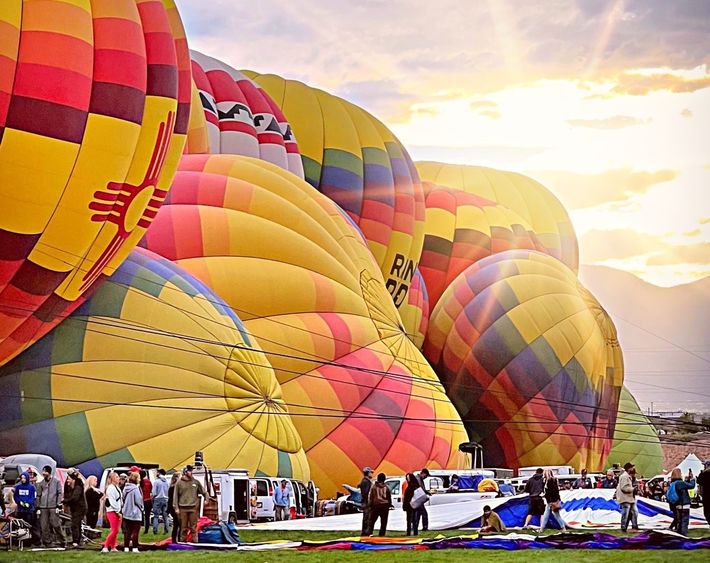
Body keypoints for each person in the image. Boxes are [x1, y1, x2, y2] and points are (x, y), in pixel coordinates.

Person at [35, 465, 65, 548]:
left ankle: (62, 540)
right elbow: (38, 495)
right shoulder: (41, 483)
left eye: (45, 471)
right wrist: (38, 506)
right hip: (43, 507)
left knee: (56, 524)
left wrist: (58, 505)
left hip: (53, 507)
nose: (43, 473)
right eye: (43, 471)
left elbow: (59, 493)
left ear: (49, 472)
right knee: (44, 525)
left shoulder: (56, 482)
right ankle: (47, 542)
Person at [173, 465, 205, 542]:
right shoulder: (179, 483)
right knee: (183, 527)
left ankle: (195, 541)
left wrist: (207, 498)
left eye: (191, 471)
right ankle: (182, 541)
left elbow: (203, 492)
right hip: (182, 508)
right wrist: (176, 508)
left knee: (193, 527)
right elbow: (175, 496)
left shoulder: (196, 482)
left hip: (193, 508)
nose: (191, 472)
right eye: (189, 471)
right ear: (185, 472)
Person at [668, 467, 695, 536]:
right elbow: (692, 486)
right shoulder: (680, 483)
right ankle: (683, 535)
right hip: (684, 504)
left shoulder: (673, 483)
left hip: (677, 504)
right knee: (684, 521)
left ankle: (679, 534)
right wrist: (692, 478)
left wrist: (687, 480)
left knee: (679, 521)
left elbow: (685, 485)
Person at [64, 471, 87, 547]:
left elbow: (74, 498)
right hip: (75, 508)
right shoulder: (70, 487)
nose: (67, 481)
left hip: (80, 508)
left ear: (73, 480)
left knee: (75, 524)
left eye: (69, 479)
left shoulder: (78, 487)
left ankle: (75, 541)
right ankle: (78, 540)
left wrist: (65, 501)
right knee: (77, 524)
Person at [122, 472, 144, 552]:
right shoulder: (135, 489)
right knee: (135, 531)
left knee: (127, 531)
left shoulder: (126, 487)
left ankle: (126, 547)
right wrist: (142, 508)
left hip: (126, 512)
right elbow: (138, 501)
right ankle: (134, 547)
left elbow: (123, 498)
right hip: (135, 514)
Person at [101, 472, 123, 553]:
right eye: (116, 477)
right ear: (112, 479)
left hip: (117, 510)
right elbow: (112, 501)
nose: (118, 478)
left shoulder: (116, 487)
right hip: (112, 511)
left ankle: (113, 547)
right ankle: (106, 546)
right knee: (114, 530)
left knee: (116, 530)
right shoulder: (110, 488)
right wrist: (117, 512)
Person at [367, 472, 392, 537]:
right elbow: (389, 497)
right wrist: (390, 504)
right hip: (385, 506)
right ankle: (382, 535)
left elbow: (371, 497)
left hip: (376, 506)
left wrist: (370, 505)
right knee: (384, 522)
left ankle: (370, 533)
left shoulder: (374, 487)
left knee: (372, 521)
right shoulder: (386, 487)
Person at [616, 462, 636, 532]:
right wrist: (633, 489)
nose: (633, 468)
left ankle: (634, 526)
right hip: (625, 499)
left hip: (629, 498)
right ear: (628, 468)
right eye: (632, 467)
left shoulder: (627, 476)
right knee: (625, 514)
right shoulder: (625, 476)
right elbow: (624, 488)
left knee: (633, 513)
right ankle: (623, 528)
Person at [152, 469, 170, 534]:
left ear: (159, 473)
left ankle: (155, 530)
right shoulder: (167, 482)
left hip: (158, 499)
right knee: (165, 516)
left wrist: (152, 499)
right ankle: (166, 529)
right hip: (165, 499)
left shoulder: (156, 482)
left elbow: (154, 493)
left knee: (156, 516)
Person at [359, 467, 373, 535]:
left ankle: (366, 532)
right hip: (366, 502)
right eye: (371, 472)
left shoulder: (366, 481)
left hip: (366, 502)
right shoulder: (366, 482)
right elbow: (366, 493)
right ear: (367, 473)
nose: (372, 474)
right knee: (367, 517)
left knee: (367, 517)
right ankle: (365, 532)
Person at [167, 473, 181, 543]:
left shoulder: (171, 487)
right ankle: (177, 539)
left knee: (176, 524)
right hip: (175, 507)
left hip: (172, 507)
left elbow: (170, 499)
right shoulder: (175, 488)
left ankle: (175, 539)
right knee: (178, 524)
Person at [138, 470, 153, 534]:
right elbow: (151, 490)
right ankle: (146, 529)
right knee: (147, 516)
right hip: (148, 500)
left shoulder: (138, 483)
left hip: (141, 501)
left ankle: (138, 528)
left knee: (138, 516)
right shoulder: (148, 481)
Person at [697, 460, 710, 529]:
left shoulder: (705, 474)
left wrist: (702, 473)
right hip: (706, 497)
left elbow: (699, 481)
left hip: (707, 497)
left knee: (707, 513)